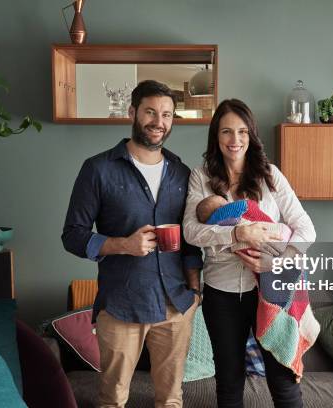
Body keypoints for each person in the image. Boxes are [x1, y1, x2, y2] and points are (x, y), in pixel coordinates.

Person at [62, 80, 203, 408]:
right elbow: (72, 234)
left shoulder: (182, 173)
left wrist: (195, 294)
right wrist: (122, 245)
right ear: (132, 113)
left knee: (171, 400)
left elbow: (191, 241)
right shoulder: (98, 169)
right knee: (112, 399)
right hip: (122, 303)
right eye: (151, 112)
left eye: (167, 115)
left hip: (176, 303)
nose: (159, 122)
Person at [183, 99, 317, 408]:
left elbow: (306, 229)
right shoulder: (200, 177)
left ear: (251, 135)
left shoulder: (270, 175)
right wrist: (236, 232)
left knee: (283, 384)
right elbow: (190, 231)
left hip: (269, 292)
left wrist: (277, 259)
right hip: (222, 296)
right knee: (229, 385)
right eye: (227, 131)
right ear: (216, 136)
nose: (235, 140)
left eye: (242, 131)